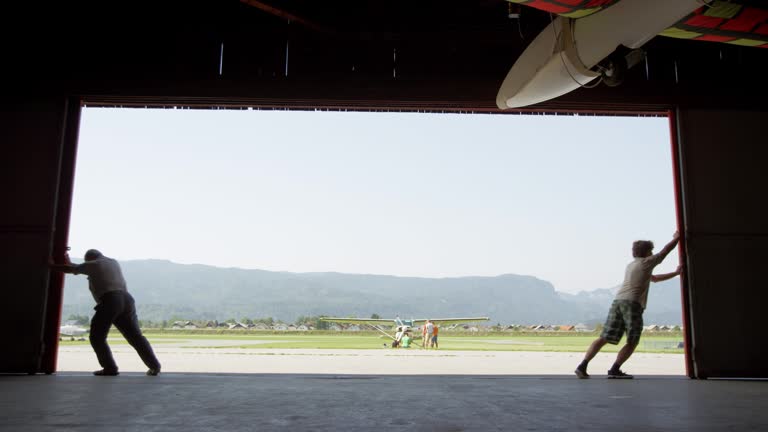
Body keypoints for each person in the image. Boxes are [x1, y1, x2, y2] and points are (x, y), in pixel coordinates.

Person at [575, 232, 681, 379]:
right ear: (647, 252)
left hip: (618, 301)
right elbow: (665, 251)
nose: (652, 253)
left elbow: (654, 279)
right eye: (650, 251)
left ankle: (582, 366)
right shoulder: (646, 263)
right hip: (632, 304)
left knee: (604, 338)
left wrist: (675, 273)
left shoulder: (632, 265)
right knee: (632, 340)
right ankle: (614, 369)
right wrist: (677, 238)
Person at [50, 249, 162, 376]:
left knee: (97, 337)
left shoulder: (94, 264)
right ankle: (154, 366)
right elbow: (75, 267)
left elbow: (70, 269)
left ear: (89, 259)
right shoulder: (112, 262)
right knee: (136, 337)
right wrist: (66, 257)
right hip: (127, 300)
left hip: (111, 300)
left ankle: (110, 368)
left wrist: (50, 266)